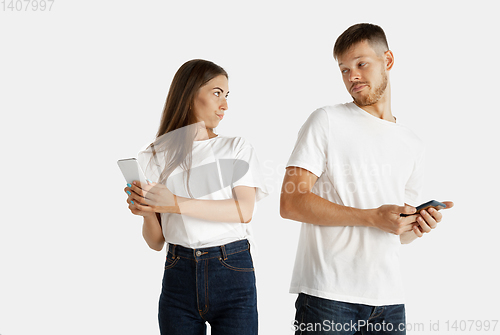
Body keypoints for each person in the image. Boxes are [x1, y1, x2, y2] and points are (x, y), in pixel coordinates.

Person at [280, 23, 454, 335]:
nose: (352, 77)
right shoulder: (326, 120)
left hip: (389, 300)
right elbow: (291, 202)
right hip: (328, 297)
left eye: (361, 64)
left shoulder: (413, 143)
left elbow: (398, 233)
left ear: (387, 60)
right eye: (344, 70)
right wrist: (371, 217)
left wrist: (417, 226)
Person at [123, 59, 268, 335]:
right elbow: (155, 242)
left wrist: (174, 204)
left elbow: (244, 211)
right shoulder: (154, 155)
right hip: (178, 274)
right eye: (217, 93)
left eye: (226, 95)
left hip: (232, 269)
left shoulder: (236, 148)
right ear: (189, 94)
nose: (224, 105)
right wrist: (146, 211)